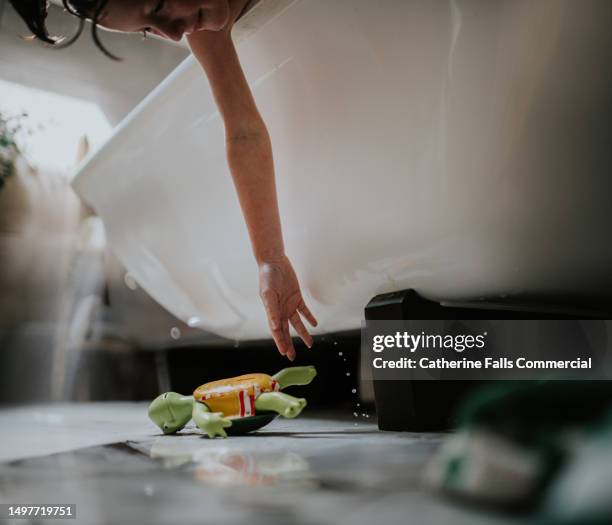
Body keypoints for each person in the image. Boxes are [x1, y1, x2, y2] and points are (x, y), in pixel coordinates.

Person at [9, 0, 318, 361]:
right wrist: (270, 258)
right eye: (148, 29)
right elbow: (242, 131)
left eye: (157, 5)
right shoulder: (203, 28)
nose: (174, 34)